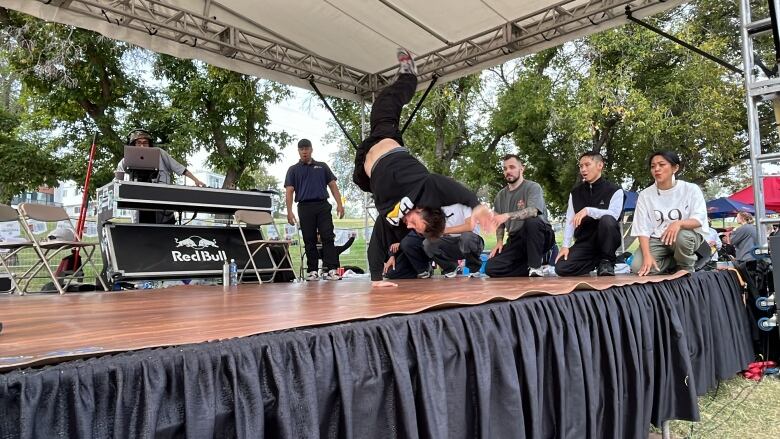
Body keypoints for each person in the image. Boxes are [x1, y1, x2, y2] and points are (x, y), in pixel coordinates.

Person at [352, 49, 495, 287]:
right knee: (385, 101)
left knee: (362, 185)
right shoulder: (425, 190)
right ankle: (408, 74)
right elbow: (448, 186)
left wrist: (376, 279)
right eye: (415, 223)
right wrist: (476, 206)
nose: (408, 225)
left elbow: (378, 236)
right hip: (384, 140)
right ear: (423, 209)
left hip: (365, 172)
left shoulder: (396, 218)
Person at [630, 151, 710, 275]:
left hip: (685, 237)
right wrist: (647, 256)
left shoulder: (690, 189)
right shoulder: (645, 195)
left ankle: (685, 266)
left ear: (675, 168)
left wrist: (678, 224)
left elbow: (699, 219)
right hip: (657, 239)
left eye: (662, 164)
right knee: (638, 267)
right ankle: (673, 262)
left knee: (682, 237)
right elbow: (642, 228)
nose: (657, 169)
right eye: (653, 166)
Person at [115, 129, 207, 224]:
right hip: (139, 214)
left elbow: (178, 167)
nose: (142, 145)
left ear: (149, 144)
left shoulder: (160, 154)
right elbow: (117, 181)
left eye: (145, 143)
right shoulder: (126, 160)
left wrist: (196, 180)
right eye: (138, 143)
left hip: (163, 214)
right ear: (133, 144)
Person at [554, 152, 624, 276]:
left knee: (607, 219)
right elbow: (570, 220)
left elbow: (614, 215)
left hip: (606, 241)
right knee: (561, 268)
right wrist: (565, 246)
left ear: (600, 165)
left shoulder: (615, 190)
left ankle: (607, 260)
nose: (583, 169)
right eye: (581, 166)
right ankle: (597, 262)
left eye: (587, 165)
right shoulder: (575, 193)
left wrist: (589, 210)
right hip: (585, 243)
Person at [485, 154, 555, 277]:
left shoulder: (533, 187)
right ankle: (537, 265)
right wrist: (499, 241)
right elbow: (499, 223)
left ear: (522, 168)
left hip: (540, 234)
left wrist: (507, 215)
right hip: (516, 239)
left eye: (512, 167)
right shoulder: (500, 196)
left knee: (532, 221)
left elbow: (533, 211)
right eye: (505, 169)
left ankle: (535, 267)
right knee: (491, 268)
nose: (508, 171)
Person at [285, 139, 345, 281]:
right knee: (309, 239)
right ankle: (312, 270)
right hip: (304, 207)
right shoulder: (293, 169)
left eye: (306, 149)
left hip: (322, 205)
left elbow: (333, 185)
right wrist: (289, 211)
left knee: (328, 236)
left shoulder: (322, 166)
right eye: (301, 149)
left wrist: (340, 204)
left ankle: (331, 269)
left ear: (311, 149)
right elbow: (289, 191)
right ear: (298, 151)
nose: (304, 152)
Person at [423, 204, 485, 278]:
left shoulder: (466, 203)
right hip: (451, 242)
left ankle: (474, 269)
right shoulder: (438, 207)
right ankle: (450, 268)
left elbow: (469, 226)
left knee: (466, 237)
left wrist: (445, 230)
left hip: (473, 241)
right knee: (427, 243)